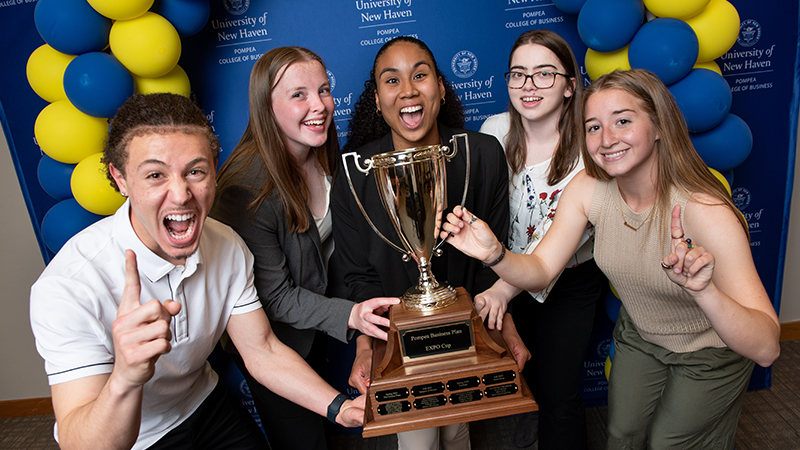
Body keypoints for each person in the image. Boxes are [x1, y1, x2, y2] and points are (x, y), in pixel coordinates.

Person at [442, 69, 780, 449]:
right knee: (621, 436)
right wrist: (496, 254)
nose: (607, 139)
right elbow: (540, 271)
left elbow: (767, 347)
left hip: (711, 347)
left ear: (658, 126)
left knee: (669, 443)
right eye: (593, 126)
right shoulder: (588, 189)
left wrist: (704, 292)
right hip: (642, 335)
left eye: (622, 120)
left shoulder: (705, 210)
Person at [29, 93, 365, 450]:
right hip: (136, 438)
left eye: (194, 171)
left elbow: (262, 350)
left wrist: (339, 408)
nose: (180, 194)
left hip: (203, 405)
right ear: (121, 178)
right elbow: (81, 444)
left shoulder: (228, 245)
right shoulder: (69, 286)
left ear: (214, 171)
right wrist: (125, 378)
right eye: (155, 175)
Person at [329, 36, 529, 450]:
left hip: (471, 342)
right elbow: (356, 274)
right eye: (391, 80)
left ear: (440, 86)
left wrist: (503, 321)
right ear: (377, 98)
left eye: (420, 75)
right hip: (400, 351)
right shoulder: (354, 175)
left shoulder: (483, 155)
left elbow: (499, 256)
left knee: (457, 432)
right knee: (419, 441)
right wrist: (366, 346)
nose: (408, 91)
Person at [210, 47, 399, 450]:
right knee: (302, 440)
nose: (319, 105)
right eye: (299, 94)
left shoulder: (324, 152)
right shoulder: (245, 187)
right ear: (266, 105)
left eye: (324, 90)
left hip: (318, 324)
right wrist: (352, 314)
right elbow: (272, 297)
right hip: (274, 343)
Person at [477, 29, 605, 450]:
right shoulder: (494, 131)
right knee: (523, 379)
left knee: (558, 393)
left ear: (571, 86)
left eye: (544, 74)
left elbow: (553, 247)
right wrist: (497, 286)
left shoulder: (592, 149)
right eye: (518, 74)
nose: (528, 86)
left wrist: (500, 291)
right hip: (502, 275)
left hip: (567, 282)